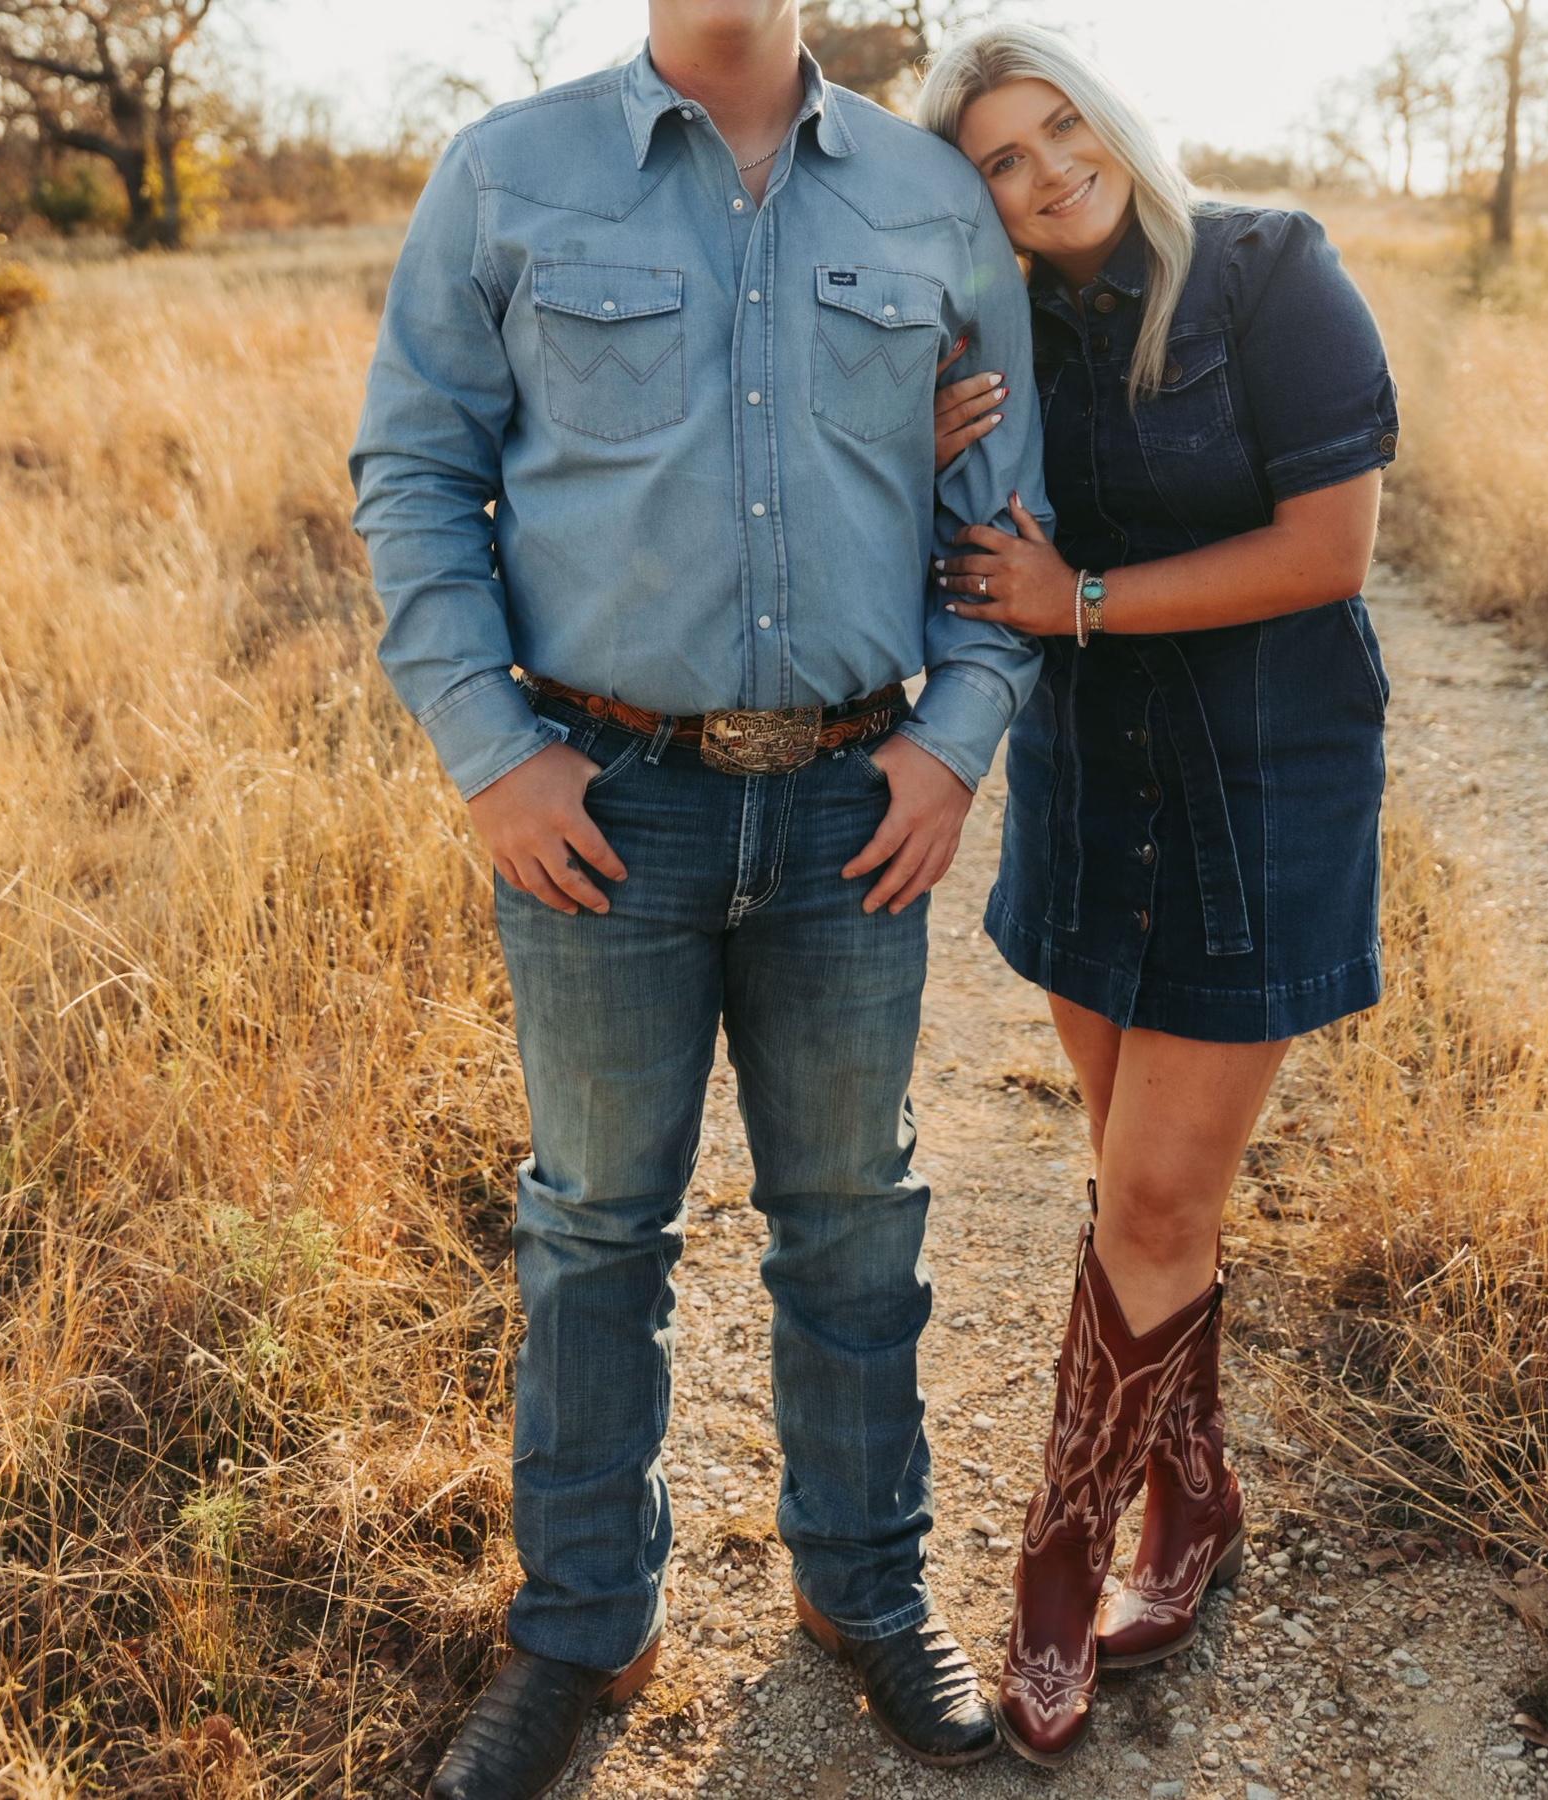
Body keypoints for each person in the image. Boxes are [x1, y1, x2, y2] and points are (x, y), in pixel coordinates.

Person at [348, 3, 1053, 1793]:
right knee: (594, 1226)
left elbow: (1001, 518)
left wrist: (953, 745)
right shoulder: (508, 175)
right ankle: (585, 1626)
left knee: (855, 1217)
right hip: (601, 801)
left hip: (851, 804)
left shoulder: (925, 196)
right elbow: (415, 476)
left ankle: (865, 1589)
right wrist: (492, 756)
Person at [913, 22, 1401, 1767]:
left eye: (1063, 127)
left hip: (1262, 784)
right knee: (1142, 1181)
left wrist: (1089, 604)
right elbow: (961, 568)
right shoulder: (993, 339)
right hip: (1088, 791)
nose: (1050, 170)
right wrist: (909, 443)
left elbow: (1328, 549)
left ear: (1111, 119)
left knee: (1159, 1189)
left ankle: (1059, 1560)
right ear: (973, 198)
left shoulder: (1268, 272)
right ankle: (1195, 1499)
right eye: (1001, 159)